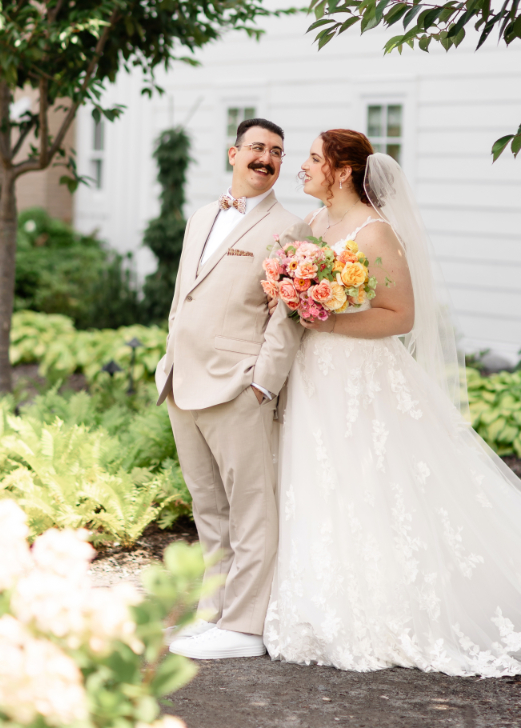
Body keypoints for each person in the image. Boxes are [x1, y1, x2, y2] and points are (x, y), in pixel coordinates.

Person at [263, 128, 521, 675]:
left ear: (341, 171)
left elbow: (401, 316)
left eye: (313, 159)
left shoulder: (375, 232)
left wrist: (327, 315)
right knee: (320, 477)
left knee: (373, 481)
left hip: (360, 374)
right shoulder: (313, 225)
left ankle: (387, 606)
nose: (303, 167)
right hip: (314, 376)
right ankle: (317, 601)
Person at [157, 117, 311, 661]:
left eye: (277, 152)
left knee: (251, 511)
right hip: (182, 382)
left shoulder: (291, 228)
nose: (266, 158)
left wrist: (262, 387)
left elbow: (286, 318)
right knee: (208, 508)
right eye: (257, 148)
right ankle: (214, 613)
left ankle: (245, 626)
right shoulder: (202, 216)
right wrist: (167, 362)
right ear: (233, 153)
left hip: (238, 389)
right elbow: (185, 295)